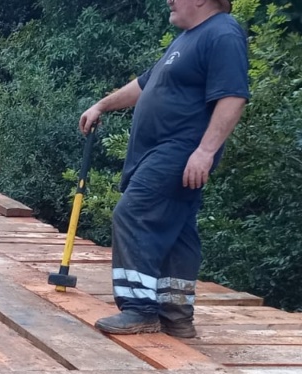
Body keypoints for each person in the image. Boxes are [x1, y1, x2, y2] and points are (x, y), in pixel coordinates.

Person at [79, 0, 249, 338]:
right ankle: (176, 316)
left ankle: (139, 310)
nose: (169, 0)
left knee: (133, 214)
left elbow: (233, 96)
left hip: (181, 150)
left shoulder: (222, 33)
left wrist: (205, 150)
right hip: (167, 152)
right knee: (178, 230)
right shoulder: (187, 39)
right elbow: (145, 84)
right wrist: (102, 105)